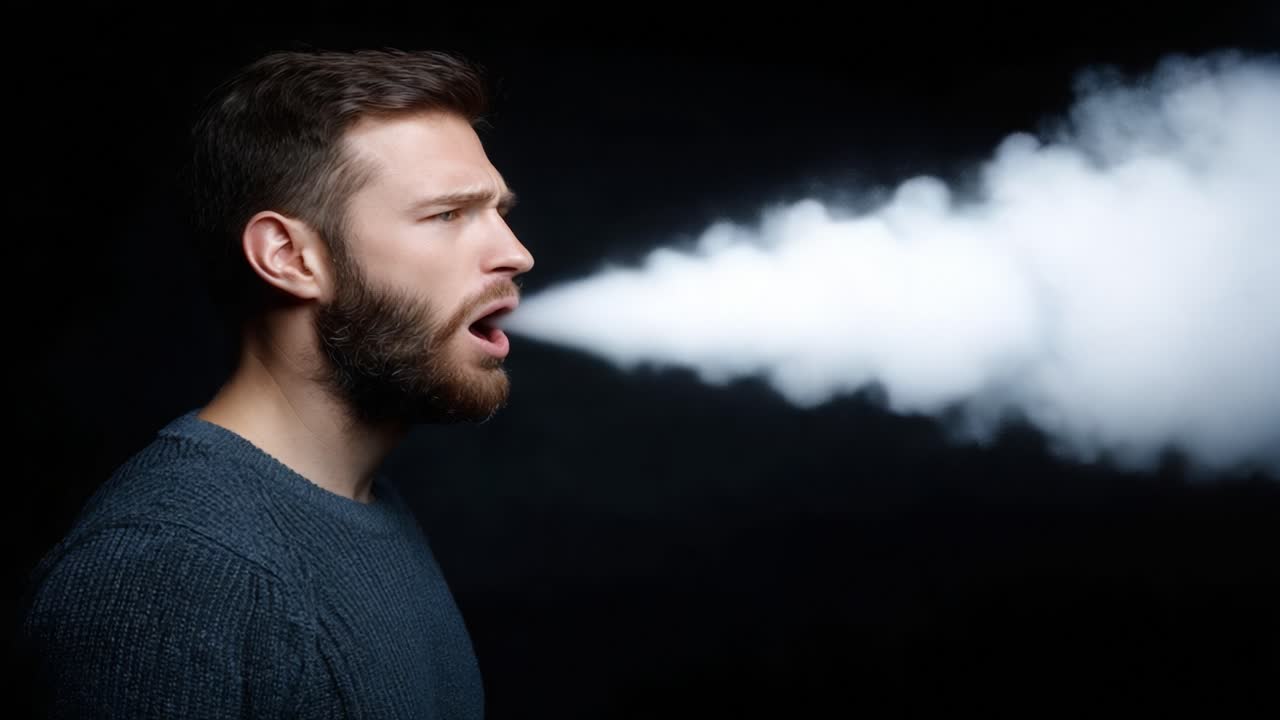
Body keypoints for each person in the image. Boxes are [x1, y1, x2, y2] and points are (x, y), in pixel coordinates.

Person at [14, 47, 534, 718]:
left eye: (498, 211)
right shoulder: (173, 571)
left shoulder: (362, 508)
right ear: (289, 258)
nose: (515, 253)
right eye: (448, 215)